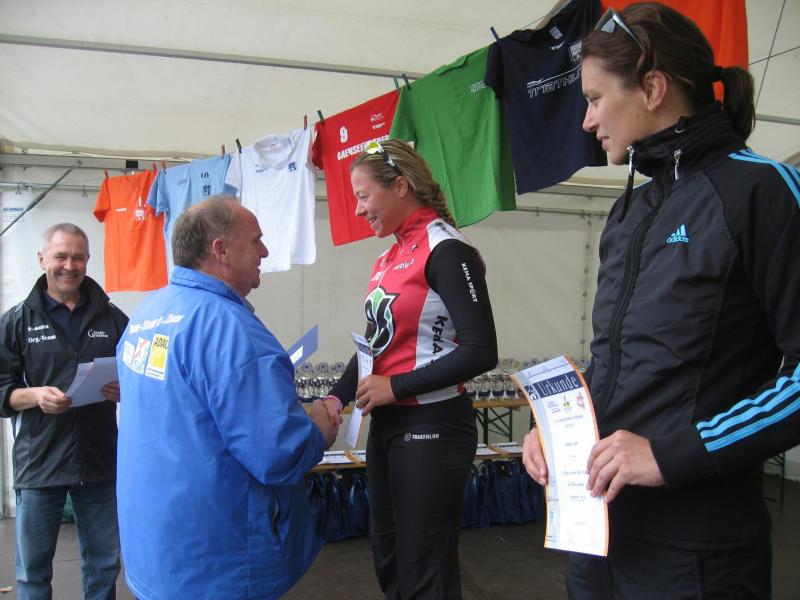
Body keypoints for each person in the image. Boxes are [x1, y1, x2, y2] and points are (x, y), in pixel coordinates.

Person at [521, 3, 800, 599]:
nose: (586, 121)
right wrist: (560, 428)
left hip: (697, 550)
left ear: (652, 88)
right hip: (599, 533)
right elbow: (618, 360)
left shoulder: (760, 190)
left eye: (595, 99)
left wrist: (674, 454)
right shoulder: (631, 210)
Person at [115, 195, 339, 600]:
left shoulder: (148, 313)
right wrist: (319, 429)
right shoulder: (233, 333)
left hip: (156, 545)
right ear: (220, 250)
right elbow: (278, 453)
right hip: (219, 558)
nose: (265, 251)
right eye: (256, 240)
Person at [323, 140, 499, 599]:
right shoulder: (387, 259)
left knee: (425, 570)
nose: (358, 209)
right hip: (388, 424)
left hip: (433, 424)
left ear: (400, 186)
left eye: (364, 195)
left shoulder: (448, 249)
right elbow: (373, 345)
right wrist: (335, 398)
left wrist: (396, 386)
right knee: (390, 561)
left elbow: (482, 351)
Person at [0, 223, 126, 600]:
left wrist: (126, 390)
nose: (69, 266)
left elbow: (140, 375)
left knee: (104, 564)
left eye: (77, 257)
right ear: (42, 259)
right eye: (60, 256)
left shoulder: (113, 318)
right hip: (40, 462)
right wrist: (34, 396)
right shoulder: (16, 321)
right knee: (33, 571)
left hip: (99, 460)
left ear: (88, 260)